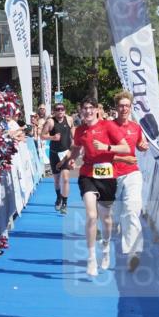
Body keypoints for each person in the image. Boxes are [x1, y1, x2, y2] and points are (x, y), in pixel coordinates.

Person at [65, 96, 130, 277]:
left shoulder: (108, 126)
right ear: (81, 111)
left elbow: (125, 148)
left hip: (107, 175)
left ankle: (106, 247)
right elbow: (77, 148)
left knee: (106, 219)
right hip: (87, 174)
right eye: (84, 108)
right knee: (92, 215)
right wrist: (70, 159)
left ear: (96, 110)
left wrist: (106, 147)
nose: (87, 111)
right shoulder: (79, 130)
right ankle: (91, 258)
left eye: (90, 108)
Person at [111, 91, 150, 272]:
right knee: (115, 216)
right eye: (121, 105)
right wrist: (122, 158)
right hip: (111, 175)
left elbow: (141, 146)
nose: (124, 108)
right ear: (116, 107)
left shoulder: (135, 127)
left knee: (132, 209)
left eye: (127, 105)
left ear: (130, 107)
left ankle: (134, 253)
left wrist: (143, 147)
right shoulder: (107, 127)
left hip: (132, 174)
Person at [42, 103, 74, 214]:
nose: (60, 111)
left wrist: (73, 149)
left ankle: (65, 203)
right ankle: (58, 197)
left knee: (65, 178)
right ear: (54, 111)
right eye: (57, 109)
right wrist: (52, 137)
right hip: (54, 154)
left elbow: (73, 136)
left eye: (62, 109)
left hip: (66, 154)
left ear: (65, 110)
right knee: (56, 180)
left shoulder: (69, 119)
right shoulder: (50, 122)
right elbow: (42, 135)